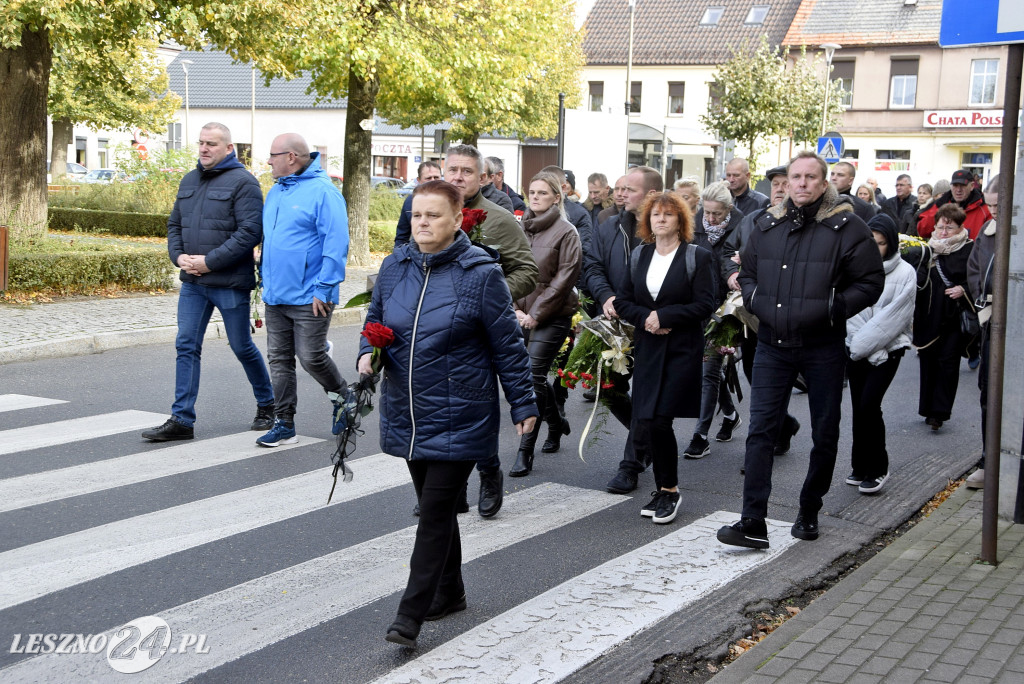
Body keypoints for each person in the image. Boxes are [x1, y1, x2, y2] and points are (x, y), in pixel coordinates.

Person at [360, 180, 538, 649]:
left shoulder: (480, 273)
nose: (422, 223)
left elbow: (507, 345)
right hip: (410, 411)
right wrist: (367, 352)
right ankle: (451, 591)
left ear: (458, 219)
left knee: (434, 512)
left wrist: (523, 403)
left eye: (433, 215)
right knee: (437, 509)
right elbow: (374, 322)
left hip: (463, 410)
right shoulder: (394, 266)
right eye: (417, 214)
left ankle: (409, 614)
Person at [718, 151, 884, 549]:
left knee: (825, 433)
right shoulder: (766, 223)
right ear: (786, 183)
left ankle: (809, 508)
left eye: (812, 177)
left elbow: (870, 281)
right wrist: (754, 297)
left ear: (824, 183)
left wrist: (833, 308)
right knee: (760, 431)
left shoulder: (847, 226)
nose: (803, 183)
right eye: (796, 177)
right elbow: (748, 271)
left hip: (822, 347)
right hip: (773, 344)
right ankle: (752, 521)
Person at [142, 122, 274, 442]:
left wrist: (209, 261)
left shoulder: (244, 183)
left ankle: (268, 405)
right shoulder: (189, 179)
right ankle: (181, 420)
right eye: (201, 143)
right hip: (193, 283)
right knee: (186, 344)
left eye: (211, 144)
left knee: (241, 345)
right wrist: (179, 257)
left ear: (229, 148)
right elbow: (175, 224)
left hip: (229, 282)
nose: (203, 148)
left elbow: (250, 232)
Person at [443, 143, 538, 517]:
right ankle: (443, 489)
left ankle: (488, 473)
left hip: (478, 330)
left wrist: (488, 297)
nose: (458, 178)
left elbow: (528, 273)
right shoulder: (424, 209)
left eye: (467, 172)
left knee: (476, 409)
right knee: (441, 408)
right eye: (453, 170)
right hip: (435, 331)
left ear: (482, 177)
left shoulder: (497, 218)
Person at [615, 192, 716, 523]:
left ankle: (669, 490)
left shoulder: (696, 257)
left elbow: (706, 303)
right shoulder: (640, 255)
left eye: (668, 215)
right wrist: (647, 317)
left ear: (680, 221)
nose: (660, 219)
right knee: (645, 418)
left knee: (660, 420)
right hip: (648, 347)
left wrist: (666, 316)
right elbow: (624, 300)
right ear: (648, 221)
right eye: (655, 214)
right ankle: (662, 488)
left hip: (681, 348)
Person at [256, 133, 352, 447]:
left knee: (311, 357)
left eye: (273, 155)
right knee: (279, 360)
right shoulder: (275, 192)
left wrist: (325, 287)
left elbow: (336, 244)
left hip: (311, 295)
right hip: (276, 294)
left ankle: (345, 399)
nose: (268, 161)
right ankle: (284, 424)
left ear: (292, 157)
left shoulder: (324, 192)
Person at [584, 165, 664, 494]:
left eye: (629, 189)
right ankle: (646, 440)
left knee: (646, 396)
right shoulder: (610, 225)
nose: (621, 194)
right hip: (615, 322)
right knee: (607, 386)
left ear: (651, 196)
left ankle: (630, 465)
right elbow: (592, 265)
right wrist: (606, 296)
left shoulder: (666, 229)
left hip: (652, 326)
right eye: (620, 189)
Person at [723, 165, 802, 456]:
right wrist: (731, 273)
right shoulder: (753, 220)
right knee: (755, 376)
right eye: (776, 184)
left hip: (783, 315)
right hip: (750, 312)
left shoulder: (802, 222)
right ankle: (784, 424)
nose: (780, 189)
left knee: (772, 381)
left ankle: (765, 442)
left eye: (785, 183)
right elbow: (728, 253)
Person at [510, 172, 582, 475]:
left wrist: (535, 314)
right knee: (533, 378)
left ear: (557, 197)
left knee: (531, 376)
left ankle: (525, 451)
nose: (535, 197)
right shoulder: (518, 228)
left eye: (542, 192)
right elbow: (507, 269)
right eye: (531, 192)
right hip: (519, 314)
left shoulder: (567, 233)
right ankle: (556, 423)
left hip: (553, 315)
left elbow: (563, 280)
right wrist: (513, 307)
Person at [844, 214, 916, 495]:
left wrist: (862, 345)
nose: (875, 249)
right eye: (870, 242)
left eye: (881, 243)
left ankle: (879, 468)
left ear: (892, 243)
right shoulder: (851, 268)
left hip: (889, 350)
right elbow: (848, 309)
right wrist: (859, 344)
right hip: (856, 348)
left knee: (869, 405)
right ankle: (860, 466)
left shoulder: (906, 273)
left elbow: (895, 318)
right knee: (858, 407)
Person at [684, 181, 743, 459]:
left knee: (708, 370)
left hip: (727, 309)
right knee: (707, 368)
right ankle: (730, 414)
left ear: (729, 210)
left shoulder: (742, 226)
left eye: (717, 214)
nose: (710, 219)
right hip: (697, 306)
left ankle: (701, 435)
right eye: (706, 213)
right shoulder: (694, 224)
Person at [913, 203, 976, 431]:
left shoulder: (970, 249)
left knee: (947, 363)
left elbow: (977, 279)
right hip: (929, 316)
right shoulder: (927, 249)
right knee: (928, 361)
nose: (943, 232)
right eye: (940, 227)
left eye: (949, 228)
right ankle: (927, 408)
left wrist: (963, 289)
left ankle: (939, 413)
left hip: (952, 316)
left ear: (960, 228)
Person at [965, 175, 1000, 488]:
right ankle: (989, 459)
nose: (993, 213)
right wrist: (983, 305)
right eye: (990, 206)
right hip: (992, 325)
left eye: (1000, 206)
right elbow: (975, 270)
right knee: (988, 392)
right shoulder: (987, 234)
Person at [917, 169, 993, 240]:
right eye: (955, 185)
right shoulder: (941, 203)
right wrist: (940, 209)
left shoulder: (985, 207)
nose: (958, 190)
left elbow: (989, 239)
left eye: (963, 185)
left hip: (972, 253)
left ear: (972, 186)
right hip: (944, 252)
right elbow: (923, 231)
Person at [394, 161, 442, 248]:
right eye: (428, 178)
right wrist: (399, 257)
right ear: (419, 180)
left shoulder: (451, 201)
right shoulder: (410, 202)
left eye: (436, 177)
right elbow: (401, 236)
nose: (433, 181)